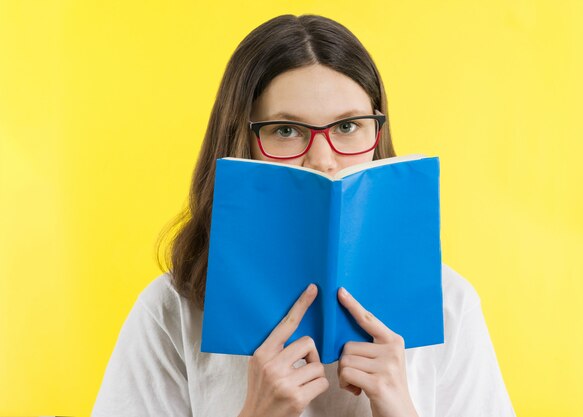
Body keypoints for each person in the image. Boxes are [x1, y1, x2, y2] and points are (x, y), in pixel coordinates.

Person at [91, 14, 516, 417]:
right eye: (286, 130)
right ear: (242, 140)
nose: (323, 160)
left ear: (377, 134)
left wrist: (399, 407)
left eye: (348, 126)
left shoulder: (448, 302)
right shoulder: (172, 310)